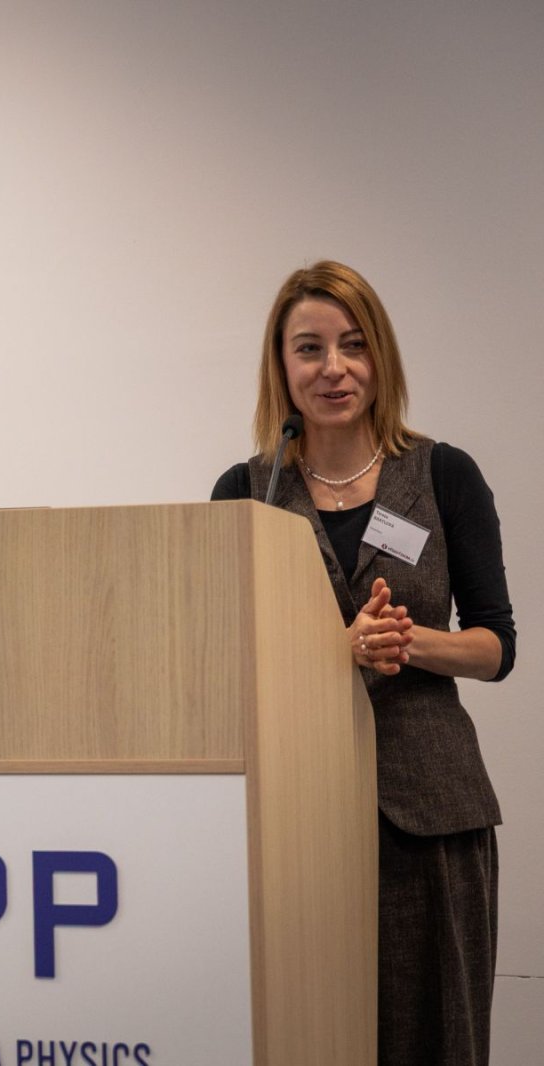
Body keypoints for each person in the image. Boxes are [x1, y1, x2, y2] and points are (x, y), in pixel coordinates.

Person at [212, 260, 515, 1066]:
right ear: (281, 365)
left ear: (380, 356)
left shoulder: (443, 474)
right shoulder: (247, 490)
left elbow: (496, 647)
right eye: (309, 348)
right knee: (304, 1034)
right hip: (292, 812)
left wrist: (407, 643)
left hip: (430, 812)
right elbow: (225, 656)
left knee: (435, 1037)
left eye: (353, 345)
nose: (333, 368)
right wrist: (332, 651)